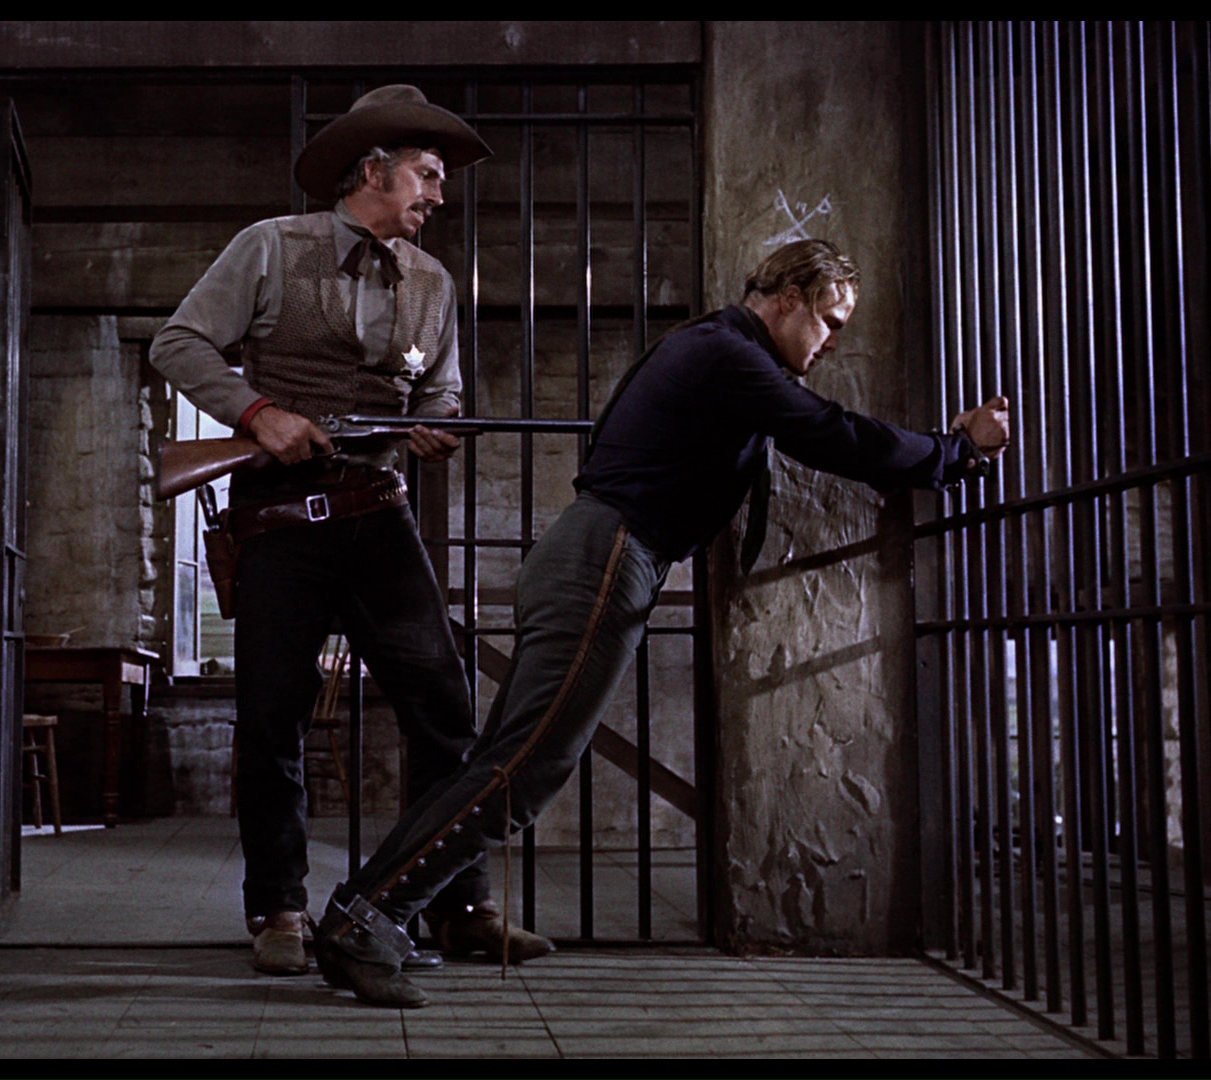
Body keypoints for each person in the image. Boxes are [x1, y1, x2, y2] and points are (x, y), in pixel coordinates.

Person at [311, 238, 1013, 1007]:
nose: (834, 342)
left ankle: (386, 917)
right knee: (525, 769)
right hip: (607, 557)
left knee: (509, 762)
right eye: (830, 321)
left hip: (601, 554)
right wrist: (955, 451)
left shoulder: (716, 348)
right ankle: (363, 920)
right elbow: (828, 431)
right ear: (787, 300)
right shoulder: (728, 353)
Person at [150, 85, 552, 976]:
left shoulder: (433, 281)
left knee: (446, 716)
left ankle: (459, 907)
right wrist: (259, 415)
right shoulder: (270, 245)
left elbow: (442, 388)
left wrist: (435, 424)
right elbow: (177, 346)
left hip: (378, 514)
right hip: (280, 522)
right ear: (372, 171)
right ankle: (280, 911)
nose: (437, 194)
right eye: (426, 174)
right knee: (272, 721)